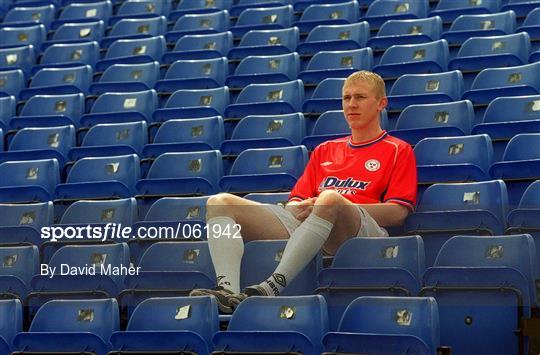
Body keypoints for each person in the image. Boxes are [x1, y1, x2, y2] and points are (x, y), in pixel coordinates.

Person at [190, 70, 417, 313]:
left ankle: (271, 286)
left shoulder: (398, 150)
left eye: (360, 97)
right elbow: (295, 201)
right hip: (314, 221)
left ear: (381, 103)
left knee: (329, 197)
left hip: (359, 231)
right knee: (220, 201)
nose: (351, 105)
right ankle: (228, 292)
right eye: (346, 98)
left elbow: (398, 212)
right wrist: (305, 207)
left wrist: (335, 205)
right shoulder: (325, 150)